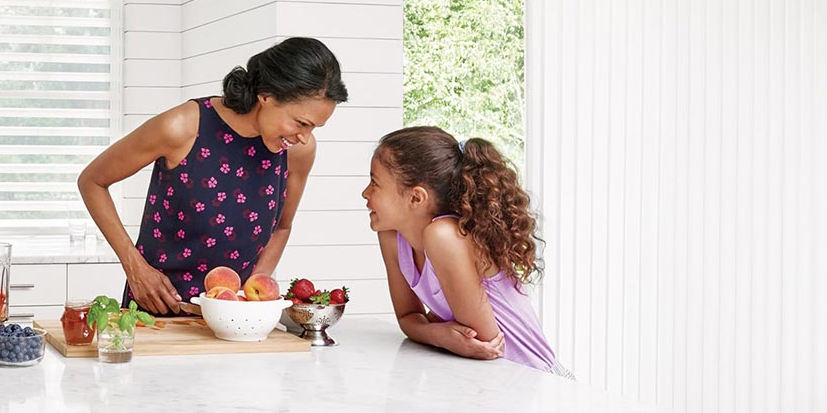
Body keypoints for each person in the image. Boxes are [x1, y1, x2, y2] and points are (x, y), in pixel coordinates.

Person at [77, 37, 347, 315]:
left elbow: (282, 227)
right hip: (157, 310)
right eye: (301, 123)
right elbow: (92, 181)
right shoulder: (182, 127)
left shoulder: (297, 151)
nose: (304, 136)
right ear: (267, 95)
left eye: (314, 127)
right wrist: (134, 266)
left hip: (236, 318)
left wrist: (251, 294)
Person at [363, 126, 570, 376]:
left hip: (537, 381)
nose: (365, 193)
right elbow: (408, 317)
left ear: (416, 198)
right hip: (491, 383)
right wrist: (439, 334)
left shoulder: (444, 236)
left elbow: (484, 344)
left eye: (375, 183)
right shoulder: (392, 235)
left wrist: (435, 330)